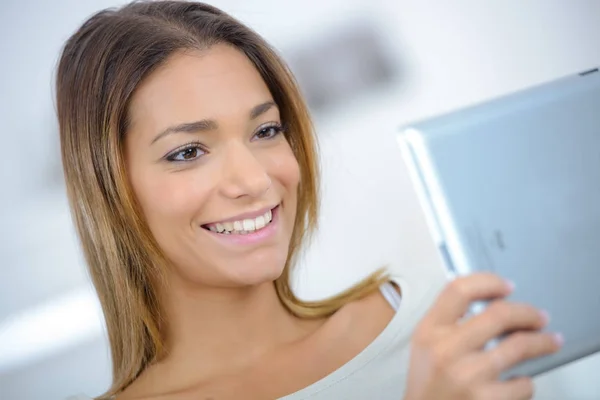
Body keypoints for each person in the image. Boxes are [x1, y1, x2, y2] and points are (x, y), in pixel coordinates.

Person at [56, 2, 562, 399]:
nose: (254, 179)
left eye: (266, 130)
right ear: (110, 188)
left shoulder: (444, 325)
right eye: (188, 151)